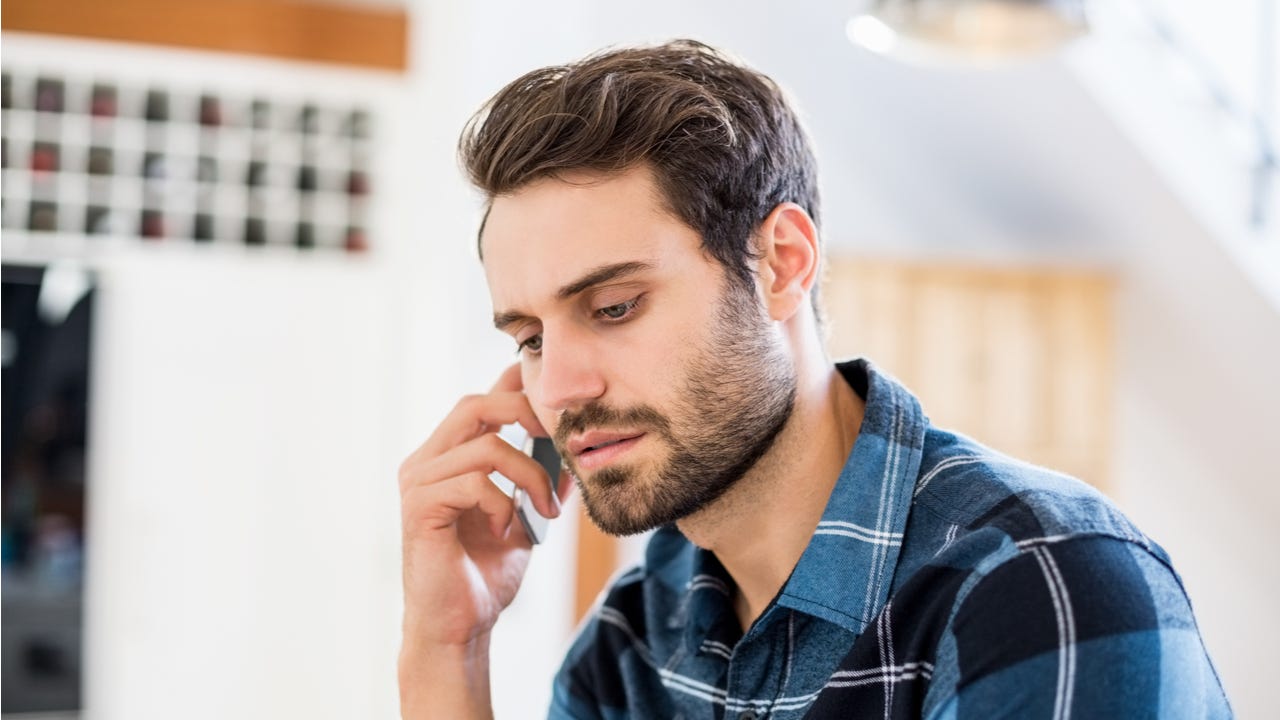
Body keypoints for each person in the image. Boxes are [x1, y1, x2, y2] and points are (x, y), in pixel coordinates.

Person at [397, 39, 1231, 719]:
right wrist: (448, 649)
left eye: (614, 307)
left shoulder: (1039, 581)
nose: (561, 387)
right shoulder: (642, 635)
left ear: (781, 265)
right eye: (532, 337)